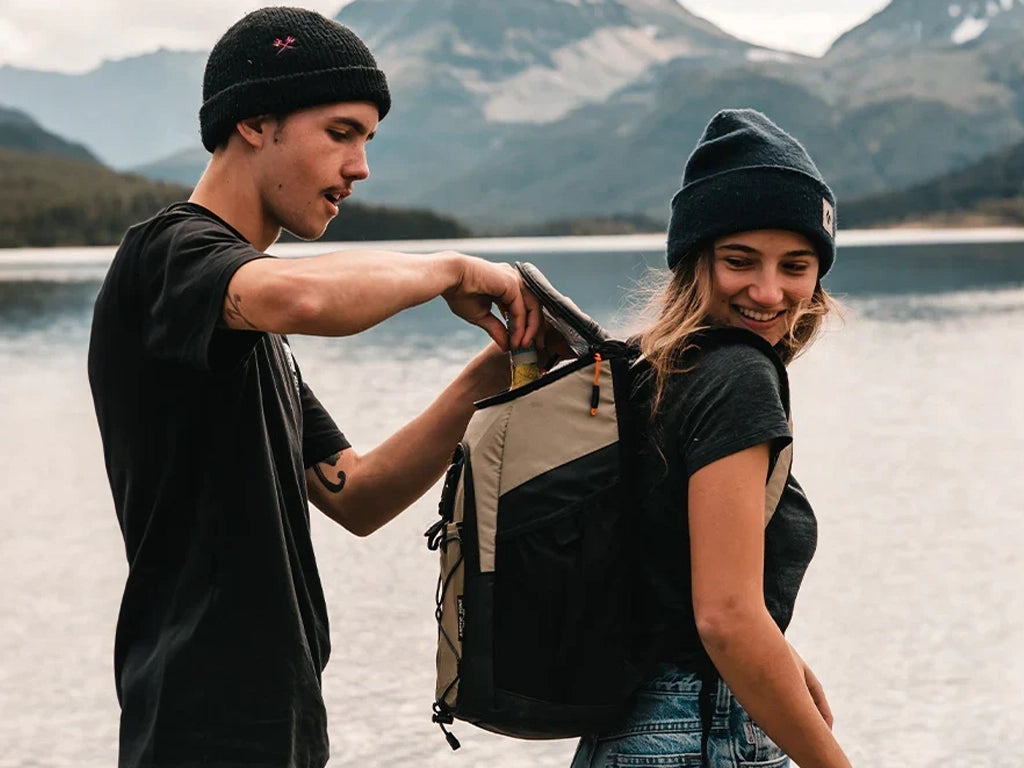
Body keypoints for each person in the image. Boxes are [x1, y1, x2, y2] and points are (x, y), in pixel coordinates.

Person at [87, 7, 542, 767]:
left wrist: (499, 367)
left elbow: (355, 494)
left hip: (282, 722)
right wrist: (454, 269)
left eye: (367, 141)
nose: (361, 167)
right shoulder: (170, 256)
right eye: (341, 133)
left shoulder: (246, 327)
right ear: (255, 122)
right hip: (198, 726)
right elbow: (303, 299)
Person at [570, 109, 852, 767]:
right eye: (740, 260)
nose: (769, 290)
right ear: (695, 260)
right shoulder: (738, 375)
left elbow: (669, 575)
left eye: (796, 265)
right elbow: (725, 618)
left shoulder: (649, 370)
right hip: (704, 732)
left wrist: (779, 659)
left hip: (629, 731)